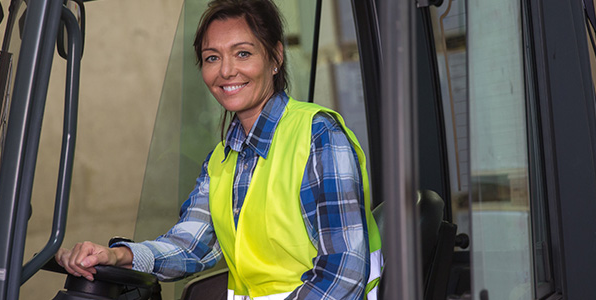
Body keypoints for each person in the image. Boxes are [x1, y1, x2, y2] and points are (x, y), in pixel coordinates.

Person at [55, 0, 383, 299]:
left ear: (276, 57)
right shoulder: (222, 160)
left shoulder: (318, 136)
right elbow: (192, 245)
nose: (226, 71)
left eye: (243, 53)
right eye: (213, 57)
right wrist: (119, 255)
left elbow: (343, 272)